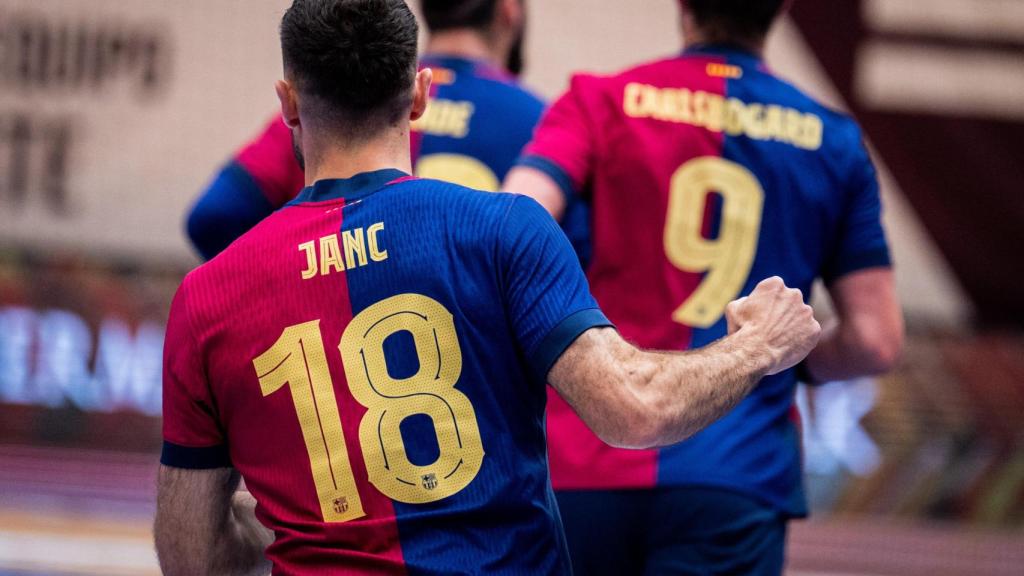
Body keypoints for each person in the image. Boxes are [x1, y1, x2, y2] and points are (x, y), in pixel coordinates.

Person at [152, 0, 821, 574]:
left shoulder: (208, 298)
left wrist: (280, 525)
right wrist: (757, 345)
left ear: (289, 104)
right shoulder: (502, 231)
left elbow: (190, 554)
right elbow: (635, 411)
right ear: (419, 94)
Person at [503, 0, 904, 573]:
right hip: (736, 468)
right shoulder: (834, 140)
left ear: (684, 6)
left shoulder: (599, 100)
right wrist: (784, 359)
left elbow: (516, 220)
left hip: (586, 457)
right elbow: (875, 341)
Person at [185, 0, 590, 265]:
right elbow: (576, 253)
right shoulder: (543, 123)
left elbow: (214, 215)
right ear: (509, 11)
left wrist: (289, 285)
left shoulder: (332, 100)